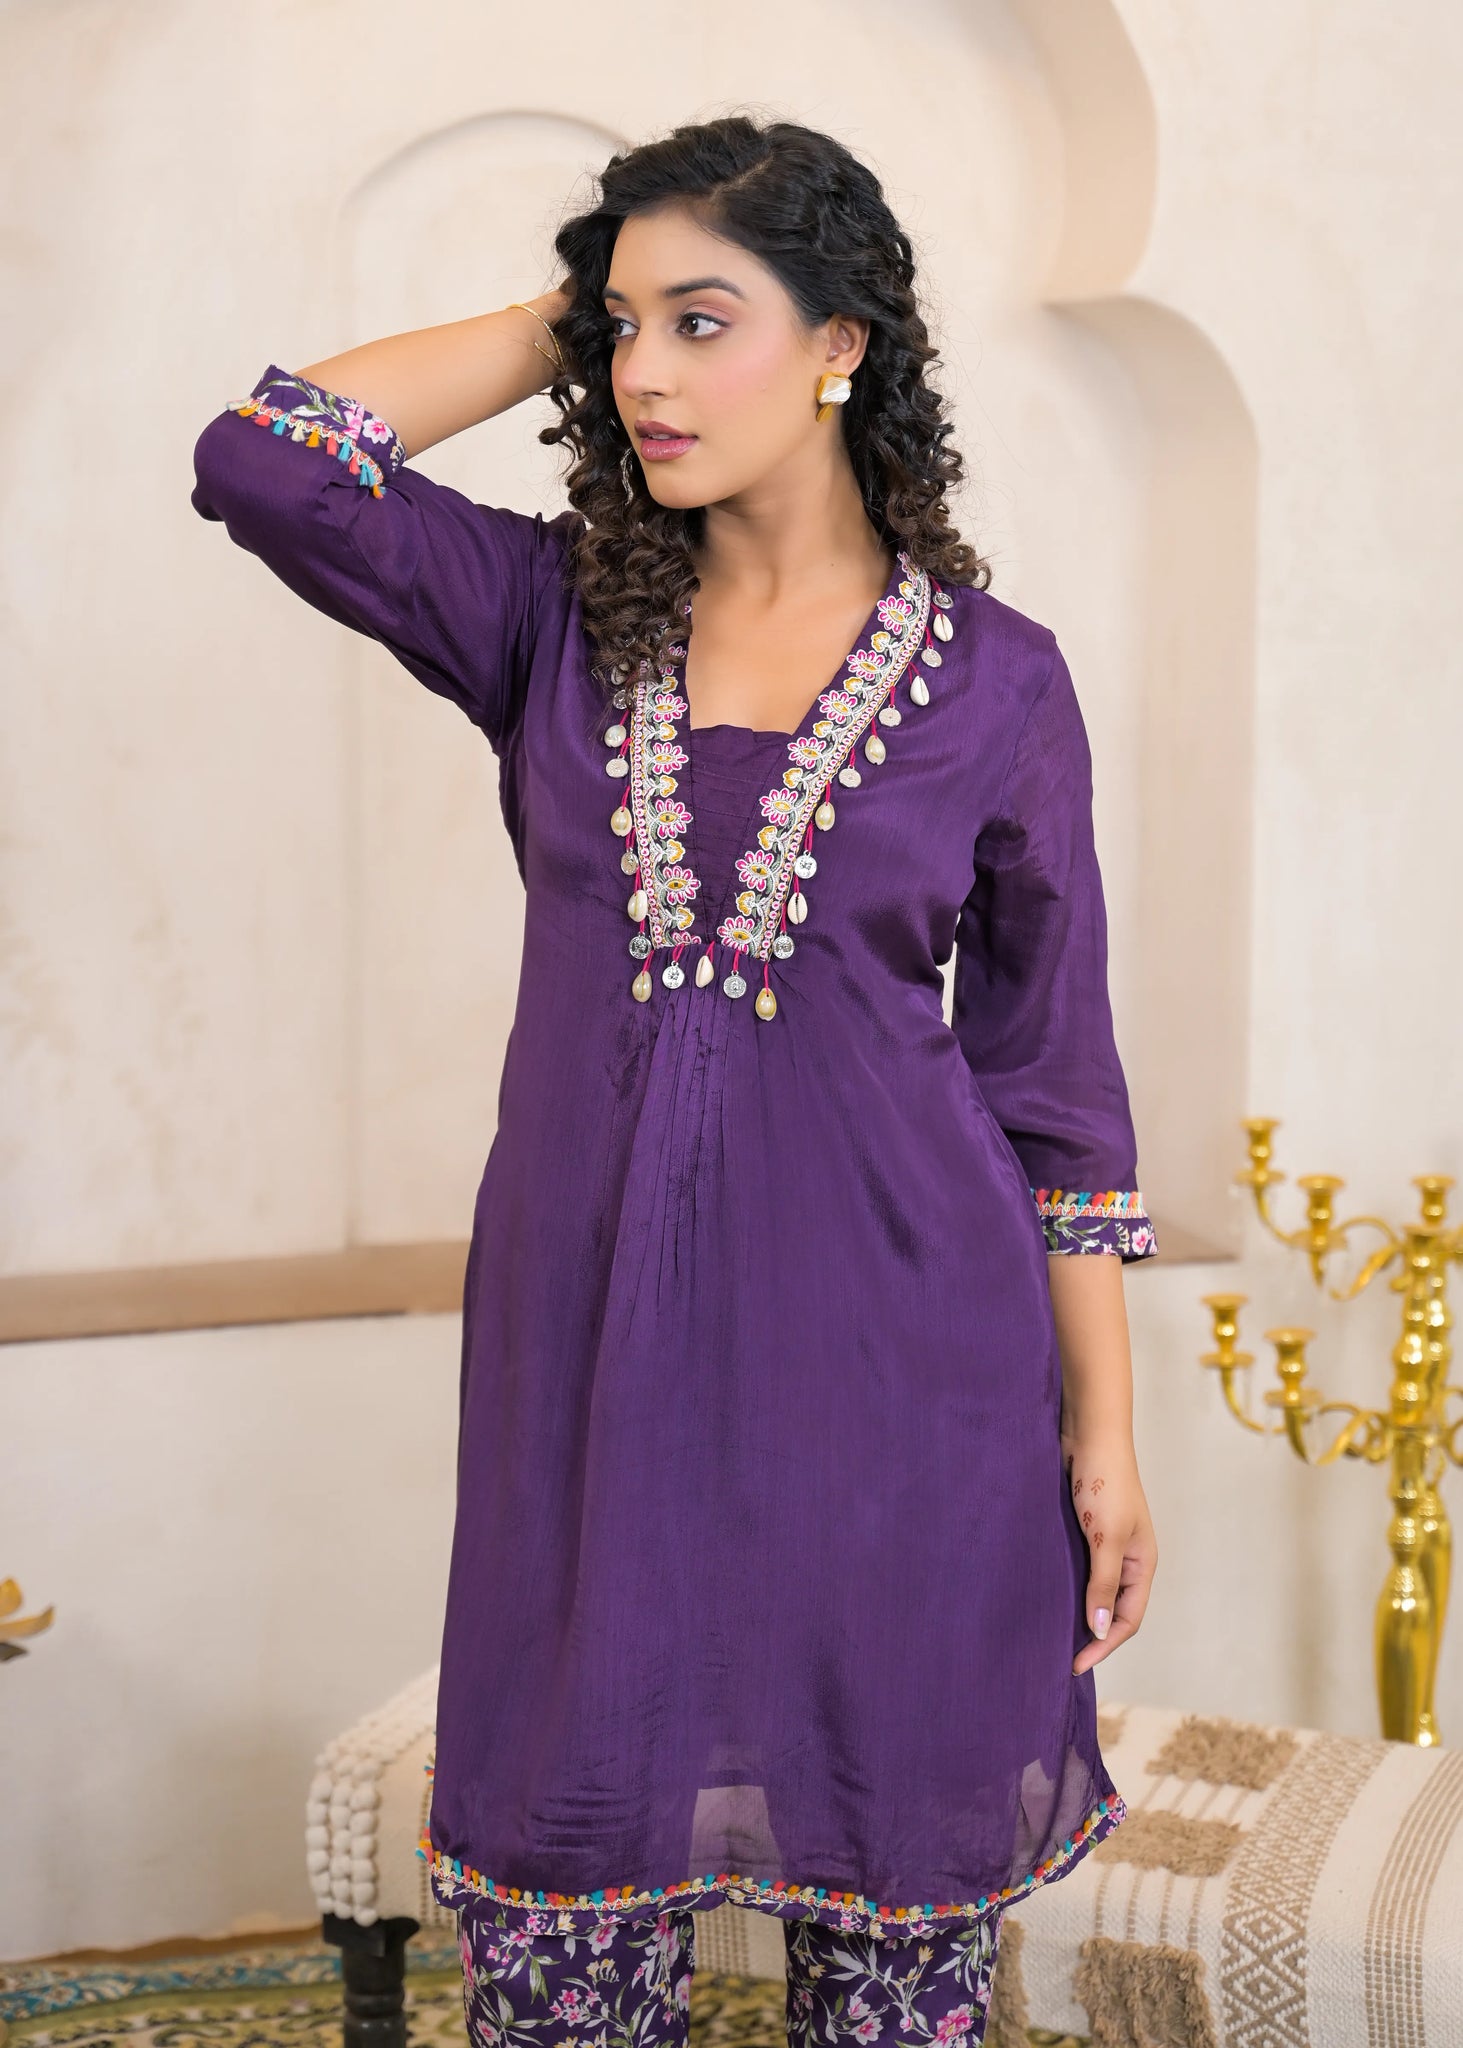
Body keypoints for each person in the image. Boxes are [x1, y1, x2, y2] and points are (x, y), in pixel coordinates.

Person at [191, 113, 1158, 2048]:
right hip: (594, 1387)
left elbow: (1051, 1089)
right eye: (619, 326)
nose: (645, 371)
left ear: (841, 346)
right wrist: (562, 317)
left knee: (894, 1984)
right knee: (565, 1963)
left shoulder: (999, 683)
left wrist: (1108, 1438)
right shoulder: (551, 619)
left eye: (702, 321)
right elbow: (265, 465)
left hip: (907, 1392)